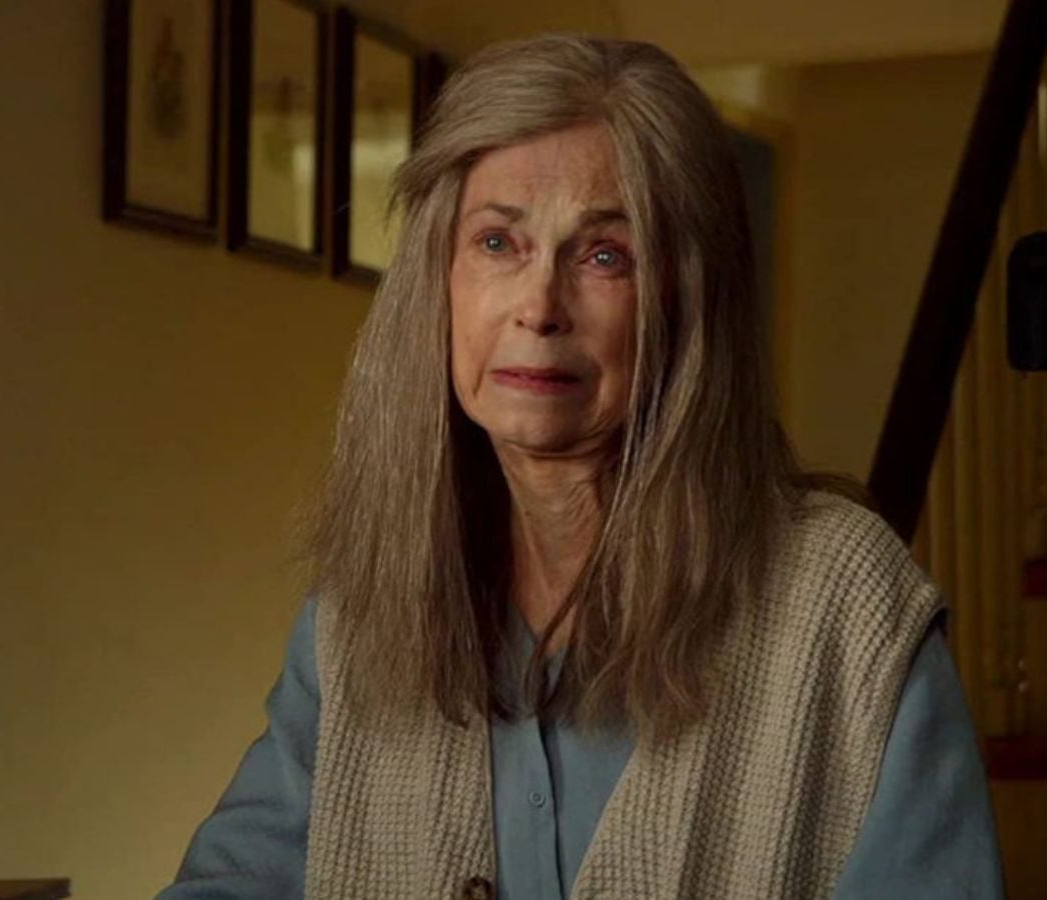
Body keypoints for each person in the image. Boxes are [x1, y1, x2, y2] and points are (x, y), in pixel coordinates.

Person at [157, 34, 1004, 900]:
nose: (539, 307)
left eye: (605, 256)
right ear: (437, 282)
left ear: (686, 300)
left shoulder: (845, 604)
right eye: (498, 243)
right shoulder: (359, 611)